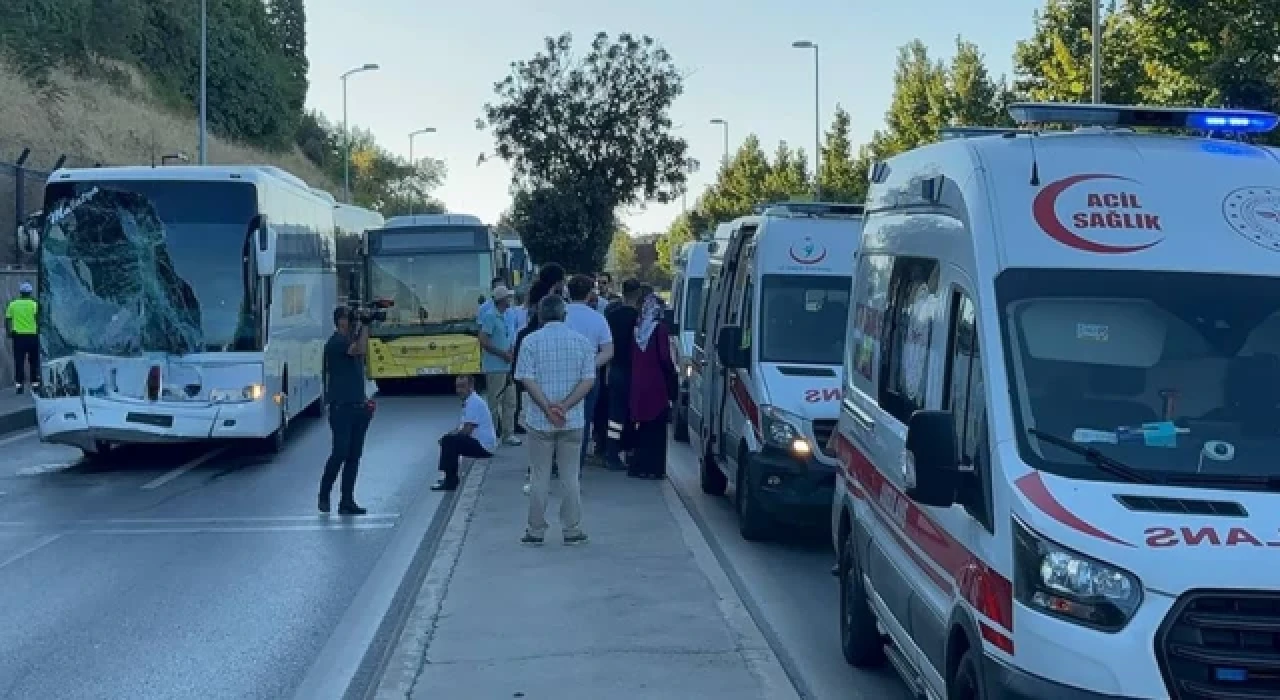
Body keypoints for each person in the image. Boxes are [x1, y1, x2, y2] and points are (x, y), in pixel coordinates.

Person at [514, 294, 597, 546]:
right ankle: (572, 530)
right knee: (570, 476)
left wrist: (547, 408)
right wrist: (565, 406)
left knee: (539, 476)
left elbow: (526, 379)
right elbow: (588, 380)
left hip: (539, 421)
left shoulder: (530, 342)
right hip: (572, 420)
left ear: (540, 315)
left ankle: (535, 530)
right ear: (564, 315)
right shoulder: (582, 342)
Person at [319, 306, 373, 515]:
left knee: (353, 456)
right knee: (340, 452)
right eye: (349, 319)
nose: (352, 322)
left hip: (358, 406)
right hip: (341, 408)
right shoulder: (336, 343)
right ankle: (324, 494)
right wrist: (365, 324)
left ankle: (347, 501)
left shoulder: (350, 340)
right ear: (341, 321)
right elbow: (360, 349)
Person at [563, 274, 614, 466]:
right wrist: (590, 365)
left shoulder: (561, 314)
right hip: (589, 376)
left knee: (558, 415)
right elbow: (608, 351)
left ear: (568, 292)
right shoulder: (598, 319)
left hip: (561, 372)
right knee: (583, 421)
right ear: (590, 294)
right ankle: (576, 462)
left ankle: (557, 460)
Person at [628, 293, 678, 479]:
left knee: (641, 427)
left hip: (638, 383)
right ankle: (655, 468)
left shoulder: (638, 329)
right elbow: (664, 357)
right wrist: (672, 373)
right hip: (656, 384)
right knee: (657, 428)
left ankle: (638, 465)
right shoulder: (659, 329)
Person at [602, 278, 643, 470]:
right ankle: (632, 451)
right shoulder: (640, 318)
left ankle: (611, 452)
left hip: (615, 368)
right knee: (634, 413)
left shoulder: (611, 316)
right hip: (635, 371)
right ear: (638, 294)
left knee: (615, 415)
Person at [433, 375, 497, 491]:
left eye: (462, 387)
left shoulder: (474, 403)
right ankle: (449, 478)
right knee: (449, 439)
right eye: (457, 387)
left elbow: (466, 431)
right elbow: (462, 427)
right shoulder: (470, 401)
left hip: (484, 447)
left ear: (471, 386)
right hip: (480, 443)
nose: (459, 390)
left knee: (450, 442)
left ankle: (450, 481)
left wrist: (448, 439)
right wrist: (449, 435)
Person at [478, 285, 520, 446]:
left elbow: (510, 336)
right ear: (502, 300)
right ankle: (492, 434)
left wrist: (510, 351)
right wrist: (502, 354)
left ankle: (508, 434)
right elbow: (483, 340)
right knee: (494, 403)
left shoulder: (507, 315)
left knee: (510, 401)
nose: (510, 300)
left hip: (507, 366)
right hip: (495, 367)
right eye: (508, 297)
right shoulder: (490, 316)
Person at [5, 281, 38, 394]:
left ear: (20, 292)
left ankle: (19, 387)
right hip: (33, 336)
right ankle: (35, 385)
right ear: (30, 292)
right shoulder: (34, 305)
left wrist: (9, 332)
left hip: (18, 337)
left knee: (19, 362)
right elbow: (38, 319)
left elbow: (8, 319)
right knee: (34, 362)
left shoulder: (13, 304)